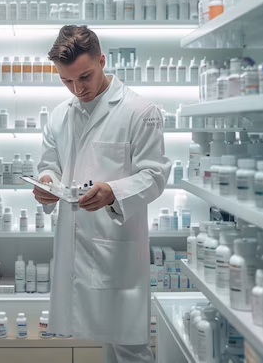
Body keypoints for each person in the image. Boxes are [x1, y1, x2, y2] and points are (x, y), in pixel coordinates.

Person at [33, 25, 172, 363]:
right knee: (107, 344)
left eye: (85, 77)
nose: (78, 88)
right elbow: (49, 164)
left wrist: (114, 192)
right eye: (67, 81)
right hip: (76, 242)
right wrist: (46, 183)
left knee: (130, 345)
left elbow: (155, 175)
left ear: (103, 61)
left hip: (117, 247)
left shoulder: (140, 111)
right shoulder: (59, 116)